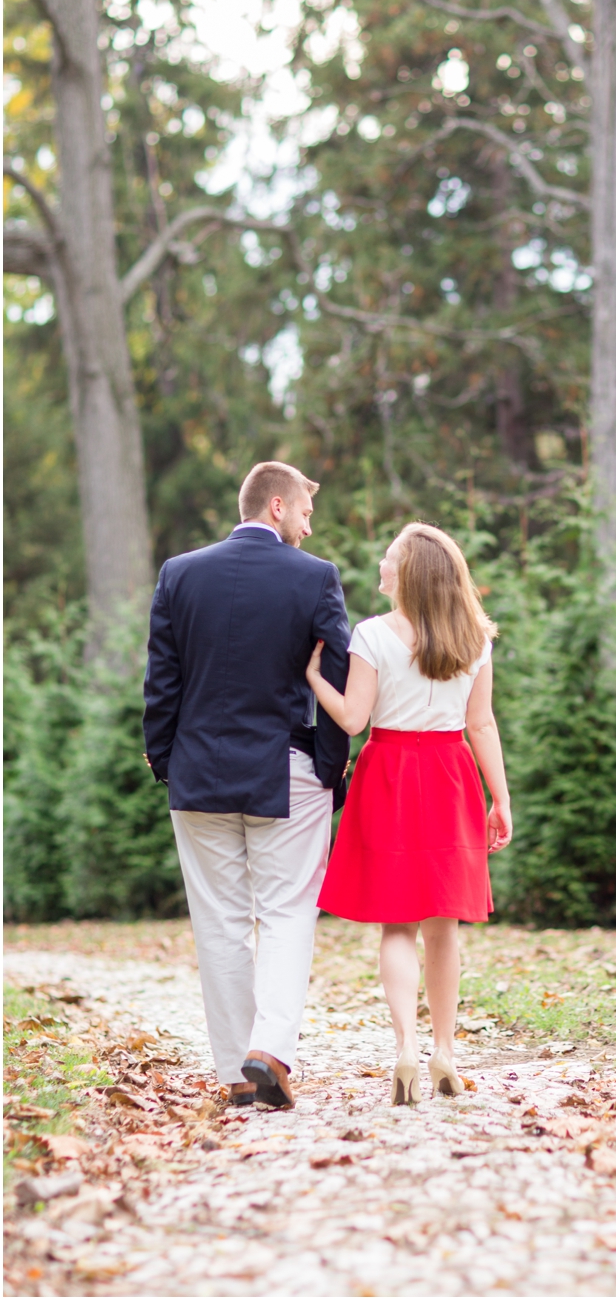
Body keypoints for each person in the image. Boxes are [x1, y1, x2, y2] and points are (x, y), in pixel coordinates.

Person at [144, 462, 353, 1112]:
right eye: (306, 514)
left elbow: (162, 680)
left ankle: (238, 1074)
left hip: (198, 771)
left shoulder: (180, 573)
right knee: (288, 912)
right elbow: (340, 675)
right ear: (277, 505)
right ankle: (268, 1048)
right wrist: (330, 764)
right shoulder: (314, 576)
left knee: (220, 923)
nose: (308, 526)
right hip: (285, 767)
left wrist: (165, 759)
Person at [307, 522, 514, 1106]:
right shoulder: (475, 639)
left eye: (389, 557)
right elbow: (481, 725)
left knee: (396, 923)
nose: (381, 562)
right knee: (443, 925)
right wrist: (501, 798)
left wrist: (315, 678)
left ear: (409, 573)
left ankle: (405, 1048)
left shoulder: (372, 636)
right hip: (450, 776)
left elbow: (352, 720)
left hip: (390, 773)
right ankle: (444, 1051)